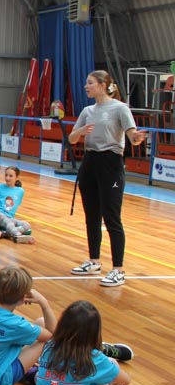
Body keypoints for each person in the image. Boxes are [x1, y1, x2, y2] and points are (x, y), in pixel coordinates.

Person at [69, 70, 148, 287]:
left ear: (103, 85)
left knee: (112, 216)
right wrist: (80, 131)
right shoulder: (87, 111)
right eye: (86, 83)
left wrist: (137, 138)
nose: (86, 86)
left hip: (111, 164)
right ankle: (94, 261)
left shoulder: (120, 108)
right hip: (89, 163)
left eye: (90, 83)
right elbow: (72, 138)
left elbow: (132, 137)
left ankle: (118, 270)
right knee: (91, 215)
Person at [34, 300, 149, 385]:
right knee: (110, 365)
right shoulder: (94, 359)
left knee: (86, 378)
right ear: (94, 332)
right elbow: (126, 380)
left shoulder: (49, 347)